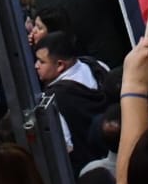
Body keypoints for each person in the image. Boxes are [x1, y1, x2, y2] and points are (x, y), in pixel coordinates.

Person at [34, 30, 109, 169]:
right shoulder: (98, 66)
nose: (36, 66)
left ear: (60, 65)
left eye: (41, 62)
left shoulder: (52, 101)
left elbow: (65, 148)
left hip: (88, 170)